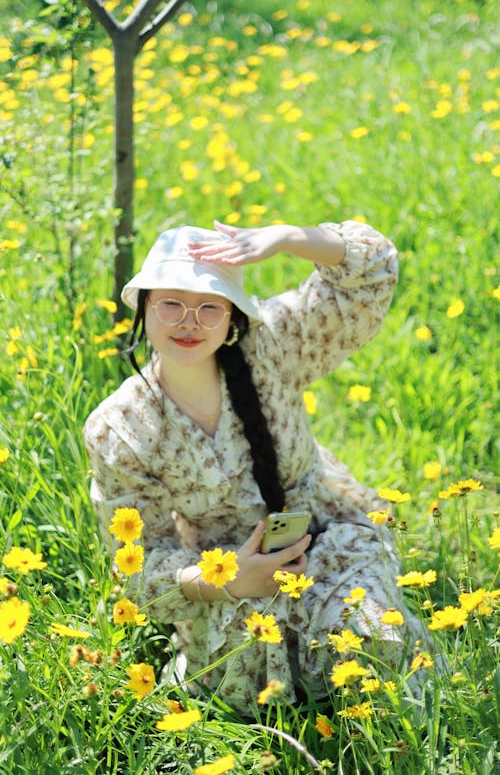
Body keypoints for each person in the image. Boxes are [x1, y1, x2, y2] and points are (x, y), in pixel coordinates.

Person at [84, 219, 419, 711]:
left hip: (327, 533)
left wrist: (289, 237)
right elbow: (136, 565)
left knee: (371, 648)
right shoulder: (120, 428)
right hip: (227, 571)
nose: (189, 322)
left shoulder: (272, 345)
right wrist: (227, 579)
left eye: (209, 307)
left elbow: (370, 275)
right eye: (171, 304)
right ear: (143, 307)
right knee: (262, 697)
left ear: (232, 318)